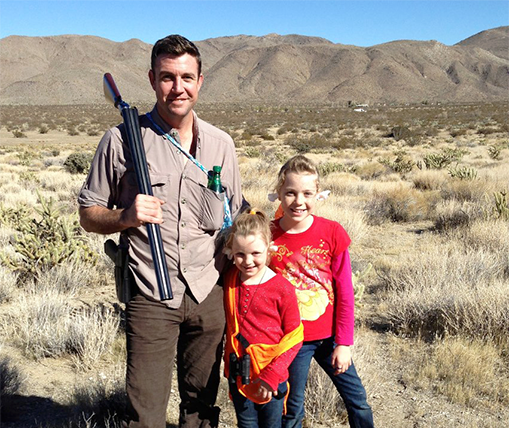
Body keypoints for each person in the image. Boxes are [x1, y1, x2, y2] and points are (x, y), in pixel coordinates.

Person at [78, 34, 243, 428]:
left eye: (187, 77)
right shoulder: (121, 139)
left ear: (200, 81)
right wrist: (125, 218)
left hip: (209, 289)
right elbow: (88, 213)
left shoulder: (221, 145)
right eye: (168, 77)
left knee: (201, 409)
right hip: (151, 292)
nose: (178, 87)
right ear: (152, 79)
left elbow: (233, 217)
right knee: (145, 413)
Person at [268, 155, 374, 428]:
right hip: (292, 340)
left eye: (307, 193)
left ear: (318, 194)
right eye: (290, 193)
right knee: (292, 409)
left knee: (357, 401)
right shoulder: (267, 236)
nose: (298, 201)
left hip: (329, 338)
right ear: (278, 193)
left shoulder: (332, 232)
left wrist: (344, 343)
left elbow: (345, 292)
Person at [222, 208, 304, 428]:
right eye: (240, 254)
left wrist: (273, 374)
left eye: (256, 253)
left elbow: (295, 337)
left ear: (269, 250)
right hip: (239, 375)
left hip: (271, 378)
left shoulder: (281, 288)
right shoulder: (230, 280)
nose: (248, 261)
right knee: (246, 424)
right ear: (231, 252)